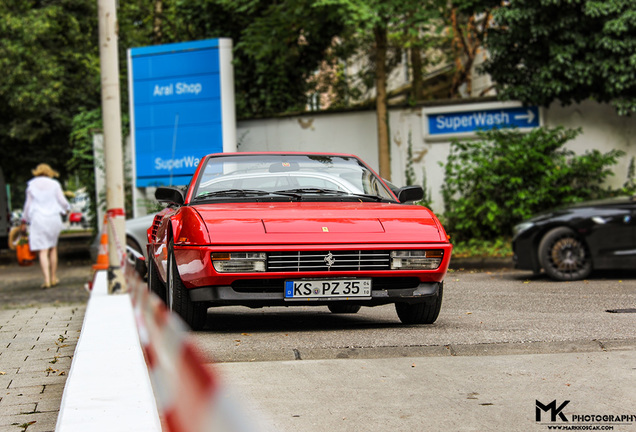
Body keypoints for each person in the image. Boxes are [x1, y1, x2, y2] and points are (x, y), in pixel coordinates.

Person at [21, 163, 71, 289]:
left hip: (38, 219)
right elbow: (62, 201)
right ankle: (54, 277)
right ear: (49, 172)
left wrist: (24, 220)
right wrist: (67, 209)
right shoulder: (55, 184)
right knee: (53, 248)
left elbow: (27, 205)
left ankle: (46, 280)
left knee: (43, 251)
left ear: (37, 172)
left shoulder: (31, 185)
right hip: (54, 218)